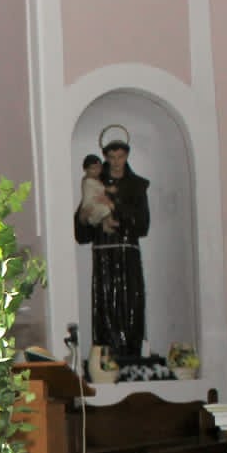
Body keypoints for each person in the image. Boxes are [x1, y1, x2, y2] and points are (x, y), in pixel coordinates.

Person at [74, 139, 151, 367]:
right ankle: (105, 361)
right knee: (105, 307)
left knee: (130, 306)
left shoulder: (136, 186)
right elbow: (82, 232)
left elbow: (142, 225)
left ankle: (131, 357)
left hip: (128, 257)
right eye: (112, 157)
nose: (116, 162)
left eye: (121, 157)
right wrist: (83, 218)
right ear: (105, 157)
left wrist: (115, 204)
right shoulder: (95, 182)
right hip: (104, 258)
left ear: (127, 157)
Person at [75, 154, 115, 231]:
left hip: (96, 203)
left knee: (105, 209)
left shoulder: (97, 179)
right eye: (93, 168)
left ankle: (107, 225)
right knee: (104, 209)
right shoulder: (88, 180)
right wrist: (108, 189)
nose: (97, 170)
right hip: (91, 204)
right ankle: (108, 223)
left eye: (99, 167)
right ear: (85, 170)